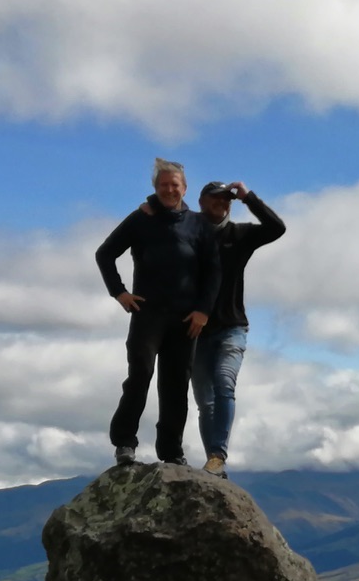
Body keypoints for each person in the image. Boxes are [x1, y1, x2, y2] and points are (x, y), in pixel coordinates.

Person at [144, 179, 285, 478]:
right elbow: (166, 209)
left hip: (232, 327)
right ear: (201, 201)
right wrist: (152, 205)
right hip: (193, 332)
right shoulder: (187, 232)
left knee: (224, 383)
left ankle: (217, 456)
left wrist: (249, 197)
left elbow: (277, 228)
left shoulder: (239, 235)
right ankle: (214, 466)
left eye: (227, 200)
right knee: (205, 403)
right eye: (216, 198)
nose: (223, 203)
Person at [96, 159, 221, 467]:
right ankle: (125, 443)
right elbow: (105, 253)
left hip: (185, 320)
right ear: (155, 188)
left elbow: (213, 271)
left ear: (184, 188)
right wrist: (119, 292)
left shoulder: (198, 224)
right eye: (163, 185)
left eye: (174, 185)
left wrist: (203, 311)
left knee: (176, 386)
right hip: (148, 315)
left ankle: (171, 452)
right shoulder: (141, 219)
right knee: (140, 376)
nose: (169, 190)